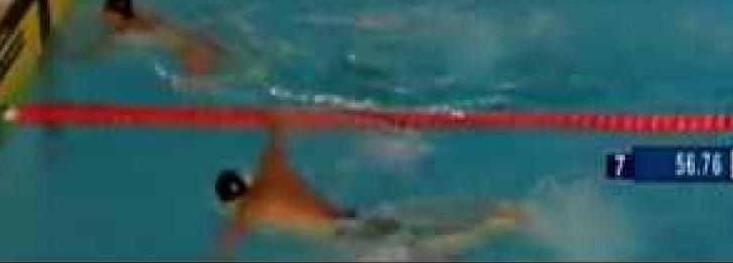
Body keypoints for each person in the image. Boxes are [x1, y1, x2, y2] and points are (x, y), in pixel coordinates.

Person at [215, 119, 525, 257]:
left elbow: (232, 237)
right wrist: (272, 122)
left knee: (420, 249)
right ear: (247, 182)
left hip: (348, 234)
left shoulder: (248, 210)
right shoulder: (270, 170)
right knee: (416, 240)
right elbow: (277, 134)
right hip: (354, 219)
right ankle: (496, 217)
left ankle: (494, 227)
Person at [99, 0, 224, 76]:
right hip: (201, 39)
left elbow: (101, 51)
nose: (104, 17)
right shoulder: (143, 16)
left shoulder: (124, 35)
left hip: (193, 53)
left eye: (108, 14)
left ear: (116, 16)